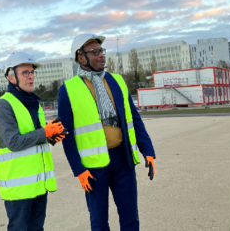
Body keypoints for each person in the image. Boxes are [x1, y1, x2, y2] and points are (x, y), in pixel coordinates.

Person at [58, 34, 156, 231]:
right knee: (99, 222)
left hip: (123, 160)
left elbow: (134, 119)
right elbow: (67, 137)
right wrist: (79, 170)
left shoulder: (117, 81)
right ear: (80, 57)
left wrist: (148, 150)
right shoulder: (68, 90)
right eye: (94, 52)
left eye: (102, 51)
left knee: (130, 219)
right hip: (93, 167)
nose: (101, 55)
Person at [0, 52, 66, 231]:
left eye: (32, 72)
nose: (31, 76)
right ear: (11, 77)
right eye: (25, 73)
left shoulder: (33, 103)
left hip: (39, 184)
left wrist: (52, 134)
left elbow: (36, 136)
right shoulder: (4, 105)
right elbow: (14, 142)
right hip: (18, 188)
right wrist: (44, 133)